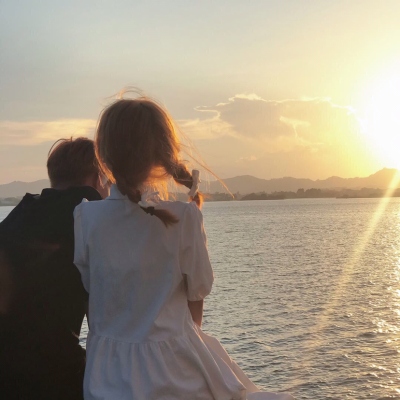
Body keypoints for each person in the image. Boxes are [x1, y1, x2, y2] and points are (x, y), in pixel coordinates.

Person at [74, 97, 295, 400]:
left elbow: (91, 293)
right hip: (176, 372)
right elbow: (197, 296)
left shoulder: (85, 217)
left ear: (103, 154)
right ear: (163, 154)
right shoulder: (184, 217)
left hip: (106, 375)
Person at [0, 137, 109, 400]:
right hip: (55, 376)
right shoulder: (90, 221)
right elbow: (109, 324)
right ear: (98, 178)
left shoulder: (14, 220)